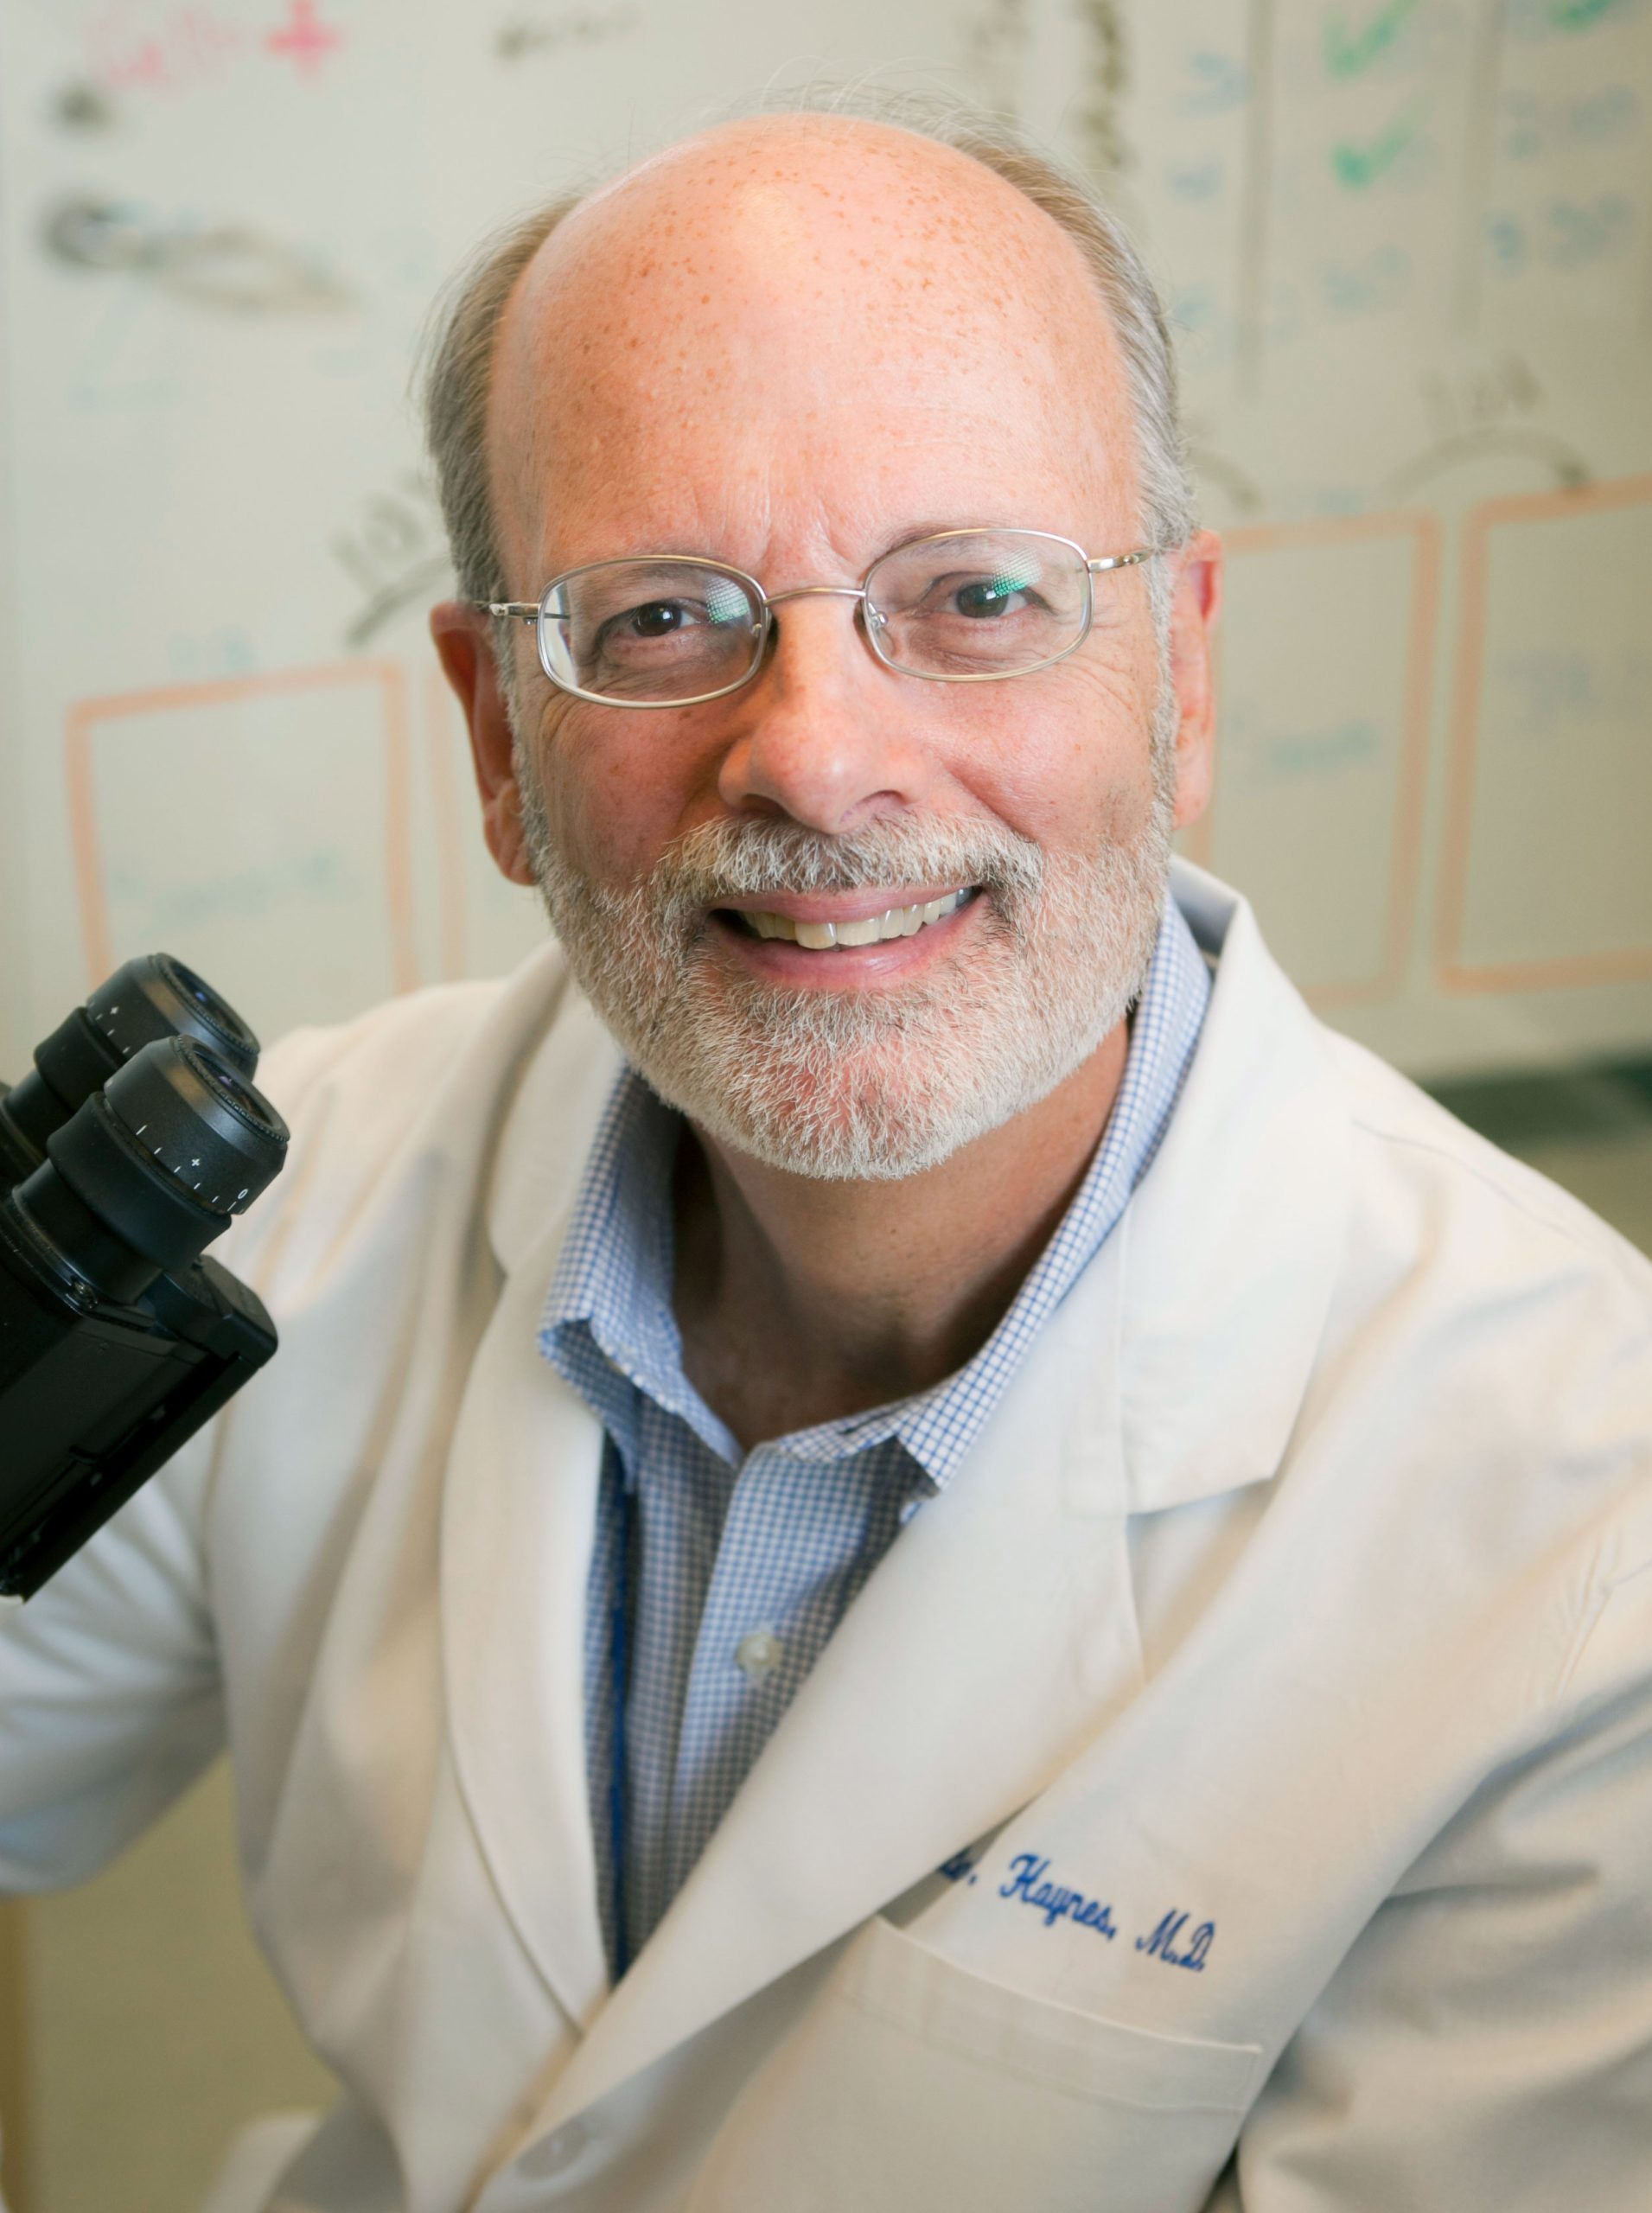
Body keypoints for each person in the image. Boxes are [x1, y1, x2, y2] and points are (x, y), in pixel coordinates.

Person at [3, 97, 1652, 2213]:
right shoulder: (298, 1198)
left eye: (971, 594)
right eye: (662, 618)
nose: (815, 752)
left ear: (1186, 671)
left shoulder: (1585, 1533)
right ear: (497, 739)